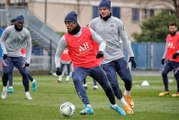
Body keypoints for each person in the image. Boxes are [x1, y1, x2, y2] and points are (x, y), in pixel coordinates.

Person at [55, 11, 126, 116]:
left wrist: (101, 50)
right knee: (76, 79)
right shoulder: (64, 39)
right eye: (65, 22)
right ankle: (87, 106)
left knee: (107, 86)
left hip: (94, 65)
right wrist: (57, 67)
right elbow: (57, 55)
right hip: (80, 67)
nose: (67, 25)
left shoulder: (88, 31)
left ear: (75, 22)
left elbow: (102, 42)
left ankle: (114, 105)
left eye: (69, 22)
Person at [89, 0, 136, 114]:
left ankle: (127, 95)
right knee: (114, 84)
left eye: (104, 9)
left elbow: (125, 39)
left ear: (109, 9)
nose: (102, 11)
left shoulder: (118, 22)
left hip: (119, 57)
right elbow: (88, 38)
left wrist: (131, 55)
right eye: (100, 9)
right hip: (105, 61)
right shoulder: (93, 23)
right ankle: (125, 106)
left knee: (128, 80)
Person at [0, 15, 33, 100]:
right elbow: (2, 40)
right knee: (6, 72)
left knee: (24, 73)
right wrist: (4, 52)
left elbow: (29, 46)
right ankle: (4, 88)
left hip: (18, 55)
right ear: (15, 22)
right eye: (19, 23)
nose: (20, 25)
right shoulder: (8, 29)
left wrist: (27, 60)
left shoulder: (26, 32)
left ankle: (27, 93)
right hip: (8, 56)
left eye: (22, 23)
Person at [6, 18, 37, 93]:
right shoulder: (10, 32)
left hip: (21, 53)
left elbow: (27, 43)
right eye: (12, 24)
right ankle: (10, 87)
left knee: (23, 71)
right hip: (12, 54)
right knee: (9, 70)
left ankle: (33, 80)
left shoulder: (24, 32)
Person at [159, 22, 179, 97]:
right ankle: (166, 90)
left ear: (176, 28)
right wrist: (163, 57)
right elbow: (167, 47)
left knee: (177, 74)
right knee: (164, 73)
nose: (172, 29)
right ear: (169, 29)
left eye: (173, 28)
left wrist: (177, 53)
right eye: (170, 28)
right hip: (169, 60)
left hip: (177, 61)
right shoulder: (168, 36)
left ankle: (178, 91)